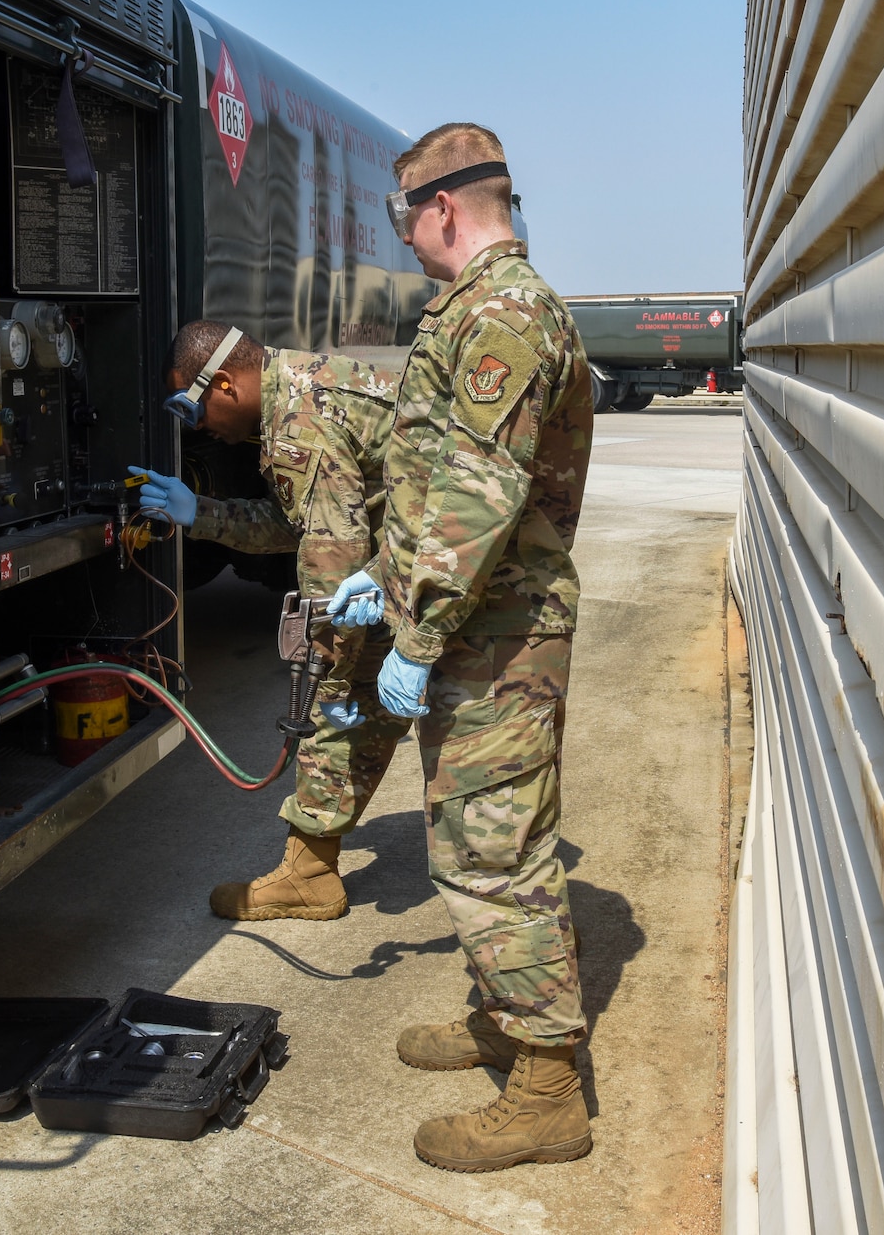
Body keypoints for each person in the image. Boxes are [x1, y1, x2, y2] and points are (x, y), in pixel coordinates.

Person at [331, 122, 596, 1172]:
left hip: (496, 636)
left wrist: (422, 624)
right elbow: (439, 483)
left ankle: (544, 1088)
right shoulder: (480, 310)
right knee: (468, 839)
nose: (403, 239)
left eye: (406, 217)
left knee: (495, 854)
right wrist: (388, 584)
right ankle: (503, 1013)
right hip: (473, 628)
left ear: (443, 207)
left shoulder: (504, 315)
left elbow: (480, 497)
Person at [129, 320, 407, 923]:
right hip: (428, 560)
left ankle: (310, 876)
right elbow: (297, 524)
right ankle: (313, 867)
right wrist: (198, 512)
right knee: (362, 703)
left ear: (223, 383)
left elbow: (334, 551)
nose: (198, 428)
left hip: (450, 567)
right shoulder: (302, 391)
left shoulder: (300, 419)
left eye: (191, 407)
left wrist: (320, 655)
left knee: (337, 698)